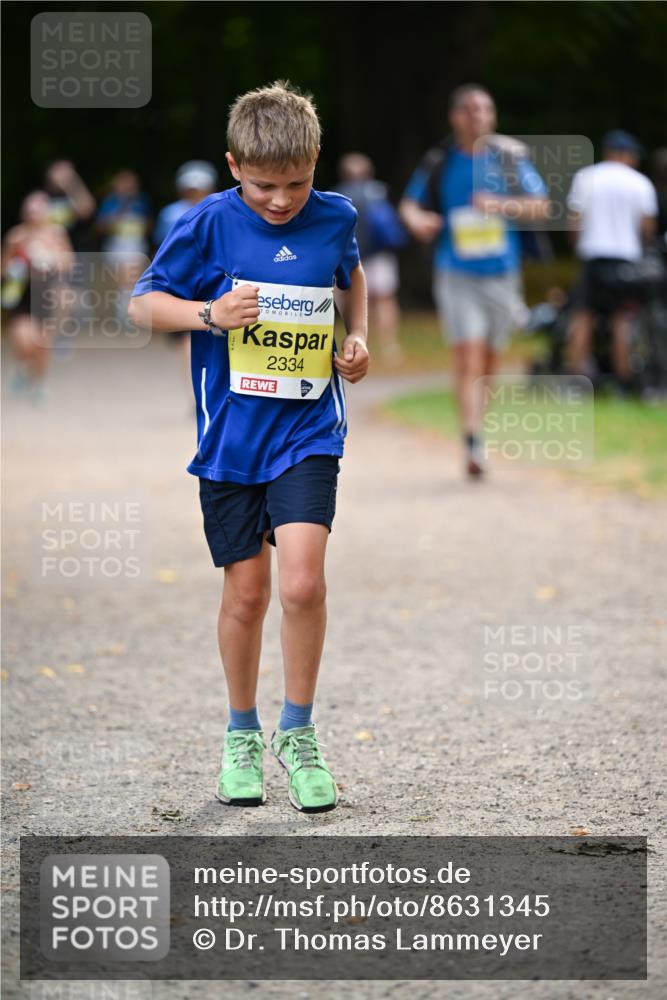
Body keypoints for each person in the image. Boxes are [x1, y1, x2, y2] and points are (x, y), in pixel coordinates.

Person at [128, 81, 368, 813]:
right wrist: (208, 312)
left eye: (295, 183)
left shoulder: (336, 217)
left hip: (306, 431)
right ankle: (241, 734)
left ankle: (298, 734)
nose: (280, 199)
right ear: (234, 166)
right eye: (264, 184)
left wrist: (355, 340)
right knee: (248, 593)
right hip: (231, 439)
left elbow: (349, 277)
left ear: (315, 162)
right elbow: (142, 303)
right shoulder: (207, 222)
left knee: (300, 583)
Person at [399, 84, 549, 477]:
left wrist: (500, 205)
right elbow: (409, 205)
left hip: (502, 273)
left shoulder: (509, 159)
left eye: (485, 109)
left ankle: (478, 430)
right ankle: (471, 441)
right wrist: (420, 221)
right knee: (468, 356)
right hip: (456, 271)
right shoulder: (441, 159)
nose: (478, 115)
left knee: (490, 362)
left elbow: (541, 206)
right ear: (455, 117)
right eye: (470, 109)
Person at [566, 131, 659, 390]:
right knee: (623, 319)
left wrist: (577, 249)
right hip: (626, 258)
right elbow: (647, 227)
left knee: (582, 316)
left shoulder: (586, 177)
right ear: (625, 154)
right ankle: (623, 379)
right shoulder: (640, 183)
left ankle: (577, 378)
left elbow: (575, 221)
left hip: (592, 254)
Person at [1, 190, 73, 398]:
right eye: (30, 210)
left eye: (38, 210)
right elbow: (3, 267)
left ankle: (39, 383)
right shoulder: (16, 236)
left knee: (42, 343)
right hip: (21, 294)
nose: (34, 215)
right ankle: (23, 367)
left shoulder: (56, 234)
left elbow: (69, 263)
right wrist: (17, 266)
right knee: (24, 341)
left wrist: (50, 260)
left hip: (47, 294)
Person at [336, 153, 405, 365]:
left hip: (349, 258)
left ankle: (352, 342)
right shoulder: (379, 191)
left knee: (347, 300)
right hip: (380, 256)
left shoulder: (339, 195)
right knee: (384, 300)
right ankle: (389, 347)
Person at [154, 160, 219, 248]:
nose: (195, 195)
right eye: (190, 191)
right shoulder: (170, 213)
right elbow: (162, 244)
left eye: (200, 190)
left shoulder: (221, 210)